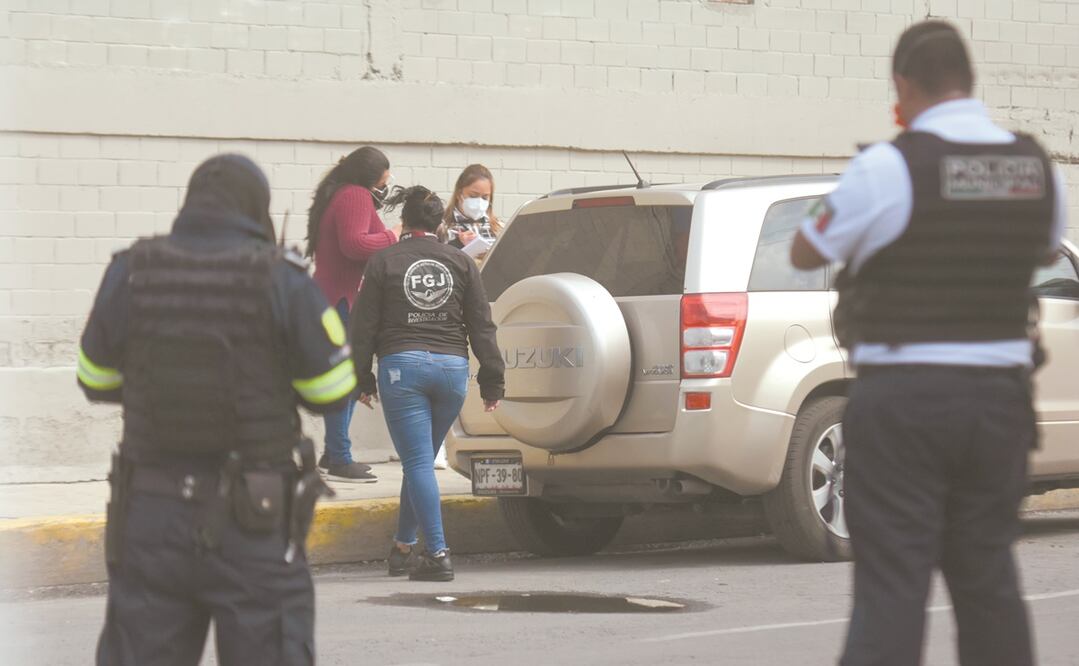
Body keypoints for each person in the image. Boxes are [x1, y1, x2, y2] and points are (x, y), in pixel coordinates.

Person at [790, 21, 1067, 666]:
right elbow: (1047, 246)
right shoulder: (1032, 165)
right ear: (970, 83)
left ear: (902, 87)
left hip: (904, 401)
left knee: (892, 588)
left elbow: (809, 248)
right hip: (998, 403)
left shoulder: (888, 167)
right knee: (989, 583)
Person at [80, 154, 353, 665]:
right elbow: (333, 390)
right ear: (258, 210)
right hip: (254, 520)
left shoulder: (130, 271)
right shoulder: (284, 279)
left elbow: (94, 377)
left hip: (151, 517)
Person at [350, 185, 505, 582]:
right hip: (452, 370)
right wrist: (492, 380)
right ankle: (403, 547)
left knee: (418, 462)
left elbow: (363, 326)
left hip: (403, 367)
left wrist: (361, 377)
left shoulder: (383, 261)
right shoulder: (460, 262)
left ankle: (437, 553)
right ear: (439, 223)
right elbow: (481, 325)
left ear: (404, 223)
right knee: (419, 460)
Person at [306, 146, 399, 483]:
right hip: (339, 302)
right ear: (368, 179)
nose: (385, 187)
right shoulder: (355, 196)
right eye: (383, 181)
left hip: (334, 299)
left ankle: (334, 455)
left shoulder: (343, 193)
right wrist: (395, 235)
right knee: (344, 381)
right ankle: (340, 458)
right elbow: (355, 245)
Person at [443, 163, 502, 258]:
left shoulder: (498, 227)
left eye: (484, 197)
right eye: (473, 196)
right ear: (459, 194)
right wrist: (457, 244)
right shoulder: (443, 226)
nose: (479, 202)